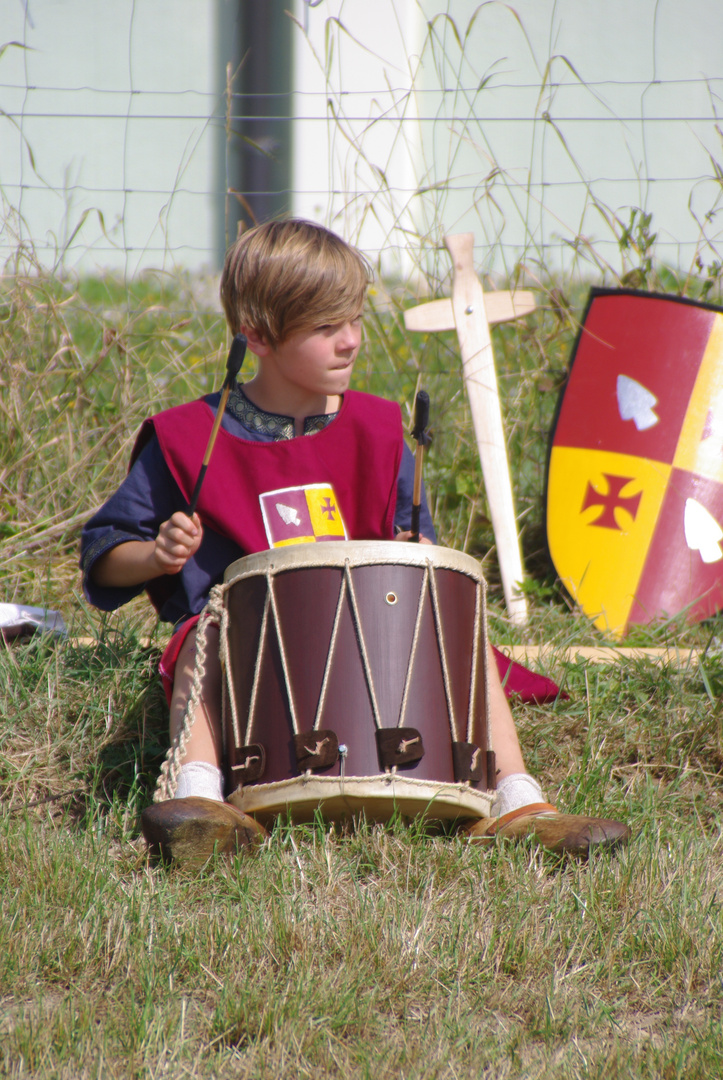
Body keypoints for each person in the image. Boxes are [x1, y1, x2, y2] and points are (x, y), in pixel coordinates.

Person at [81, 219, 630, 862]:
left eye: (355, 320)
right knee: (207, 628)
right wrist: (155, 555)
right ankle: (200, 801)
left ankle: (519, 802)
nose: (350, 342)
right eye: (324, 329)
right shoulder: (186, 436)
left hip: (378, 637)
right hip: (242, 642)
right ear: (255, 335)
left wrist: (412, 545)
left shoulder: (378, 426)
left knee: (457, 624)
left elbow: (417, 546)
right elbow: (104, 554)